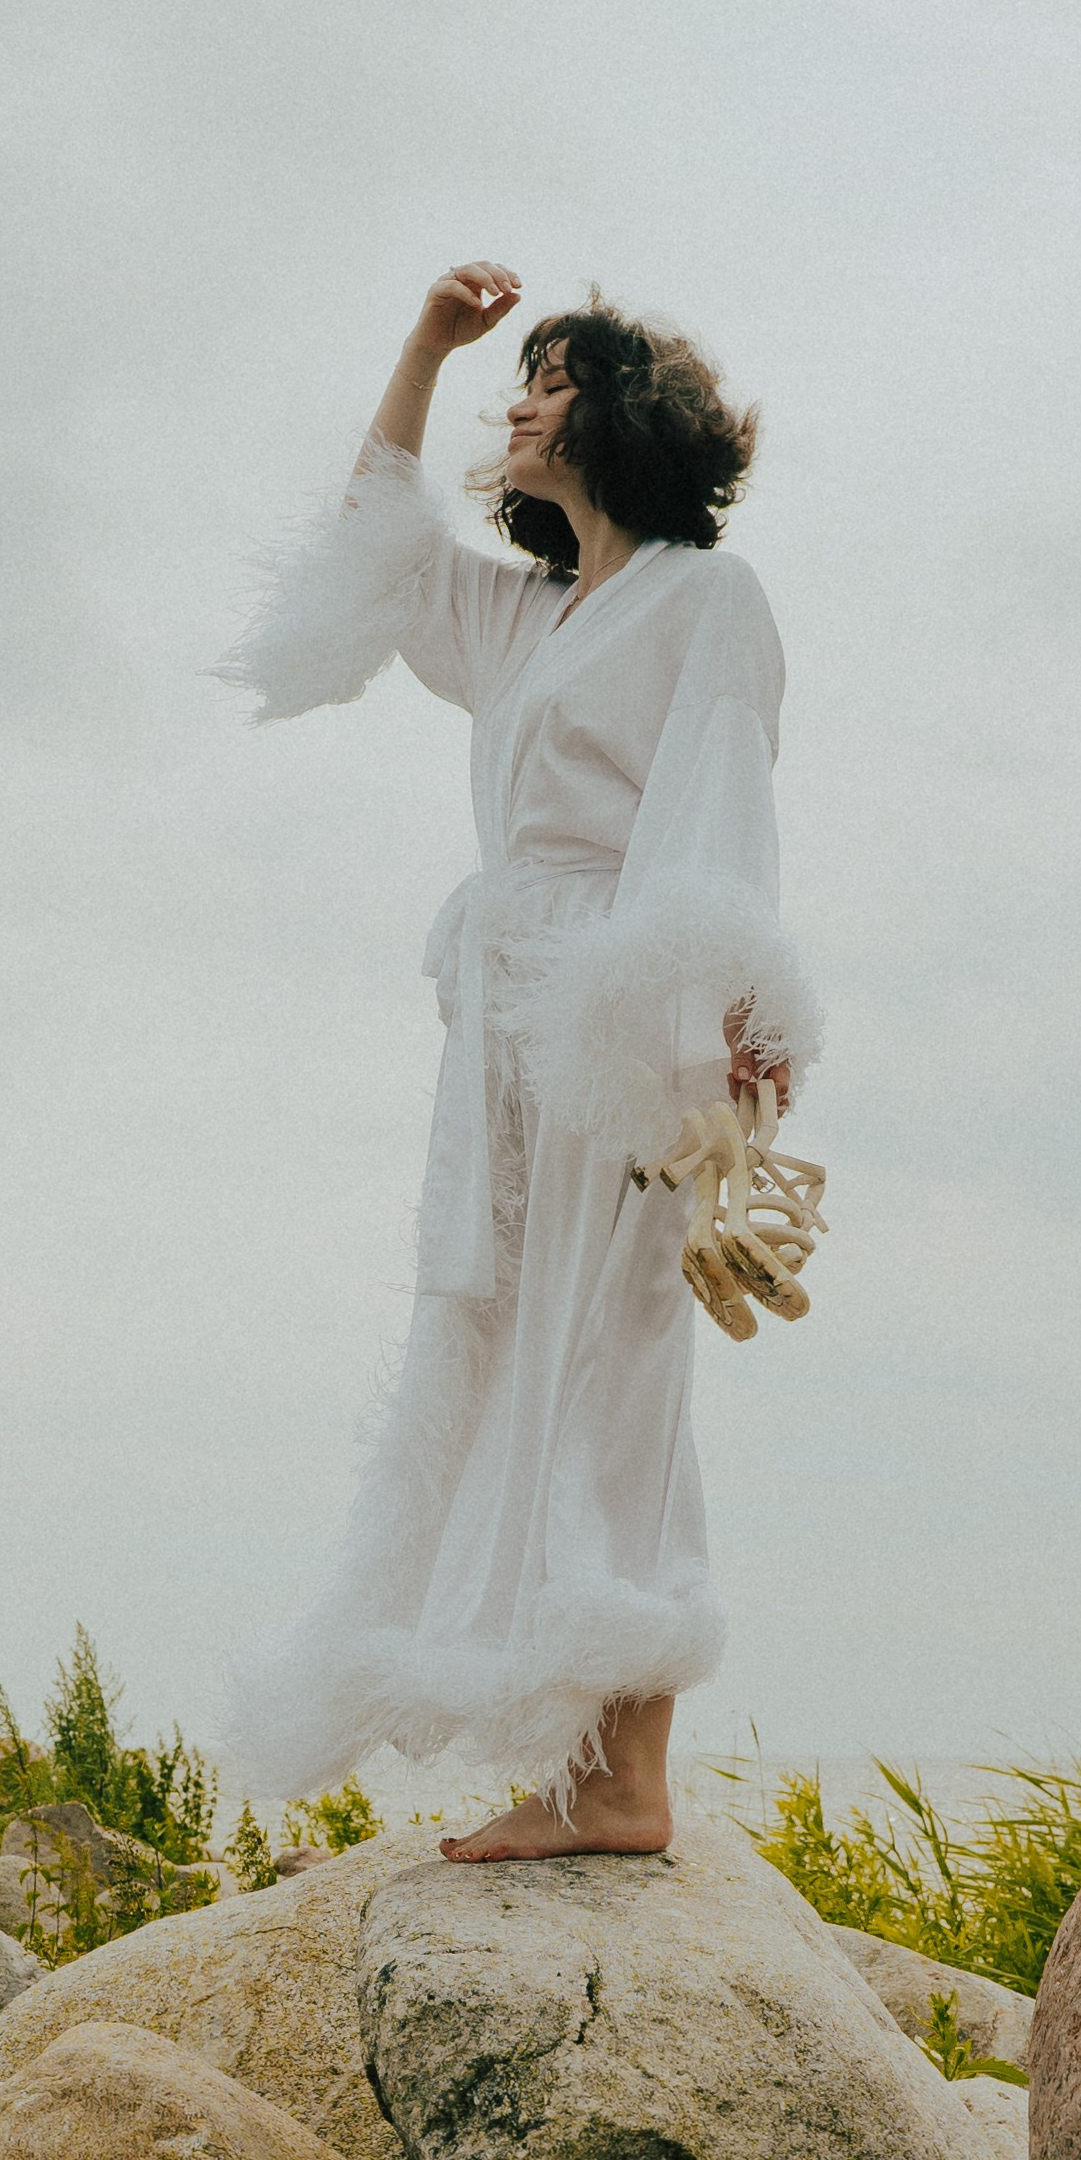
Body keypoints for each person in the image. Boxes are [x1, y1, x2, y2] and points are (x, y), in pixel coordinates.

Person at [216, 264, 820, 1863]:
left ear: (618, 411)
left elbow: (712, 817)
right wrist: (421, 342)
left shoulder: (706, 596)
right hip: (503, 1037)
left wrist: (704, 1055)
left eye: (545, 375)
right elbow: (371, 542)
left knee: (617, 1356)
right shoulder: (525, 615)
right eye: (519, 376)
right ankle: (578, 1763)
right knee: (510, 1354)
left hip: (621, 1016)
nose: (519, 398)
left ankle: (625, 1782)